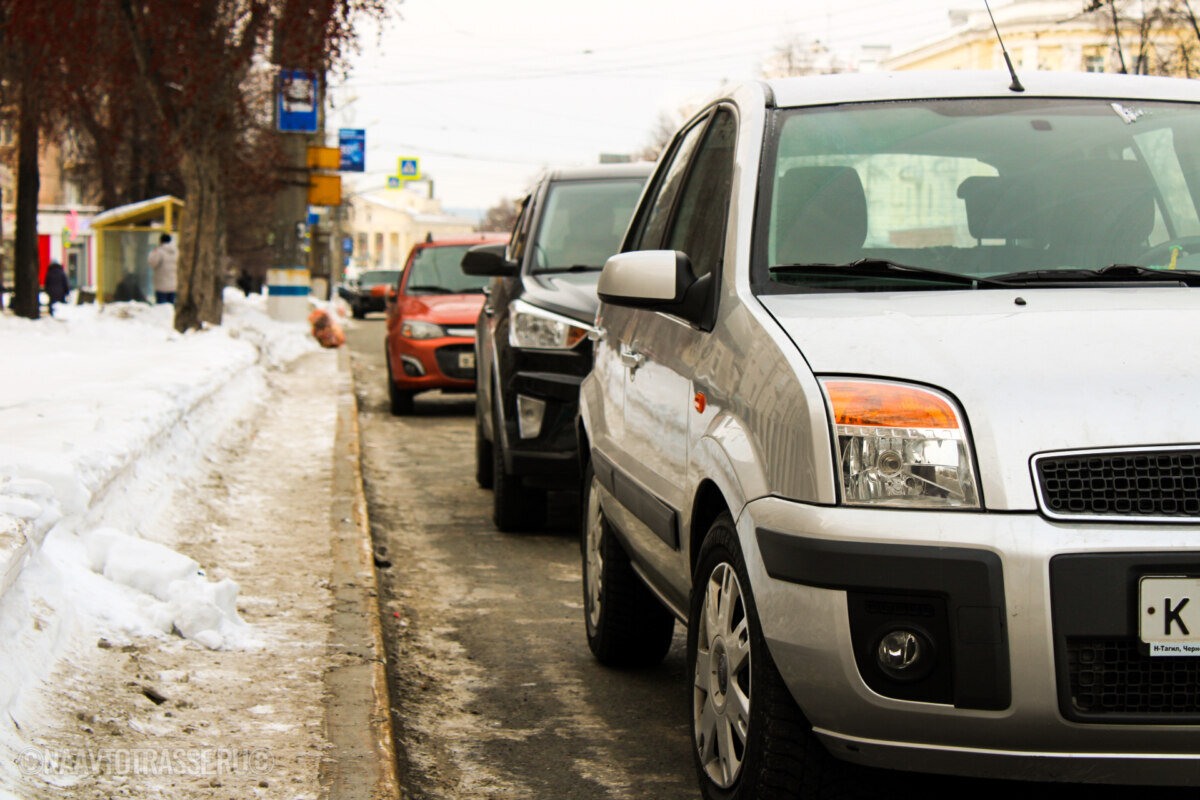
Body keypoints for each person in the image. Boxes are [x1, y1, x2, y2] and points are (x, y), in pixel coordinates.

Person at [148, 233, 178, 304]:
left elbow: (151, 263)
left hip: (161, 285)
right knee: (171, 307)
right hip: (174, 284)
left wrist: (153, 252)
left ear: (160, 241)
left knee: (162, 308)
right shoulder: (176, 251)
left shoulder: (159, 251)